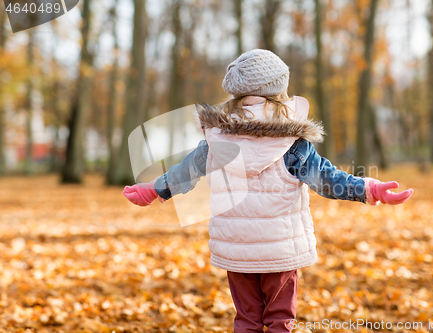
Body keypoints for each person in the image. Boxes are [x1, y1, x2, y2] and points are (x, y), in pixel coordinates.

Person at [123, 49, 414, 333]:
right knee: (279, 320)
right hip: (280, 250)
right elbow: (327, 179)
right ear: (279, 88)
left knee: (247, 320)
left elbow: (183, 173)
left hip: (236, 249)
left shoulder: (216, 139)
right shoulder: (291, 142)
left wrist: (154, 190)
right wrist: (369, 188)